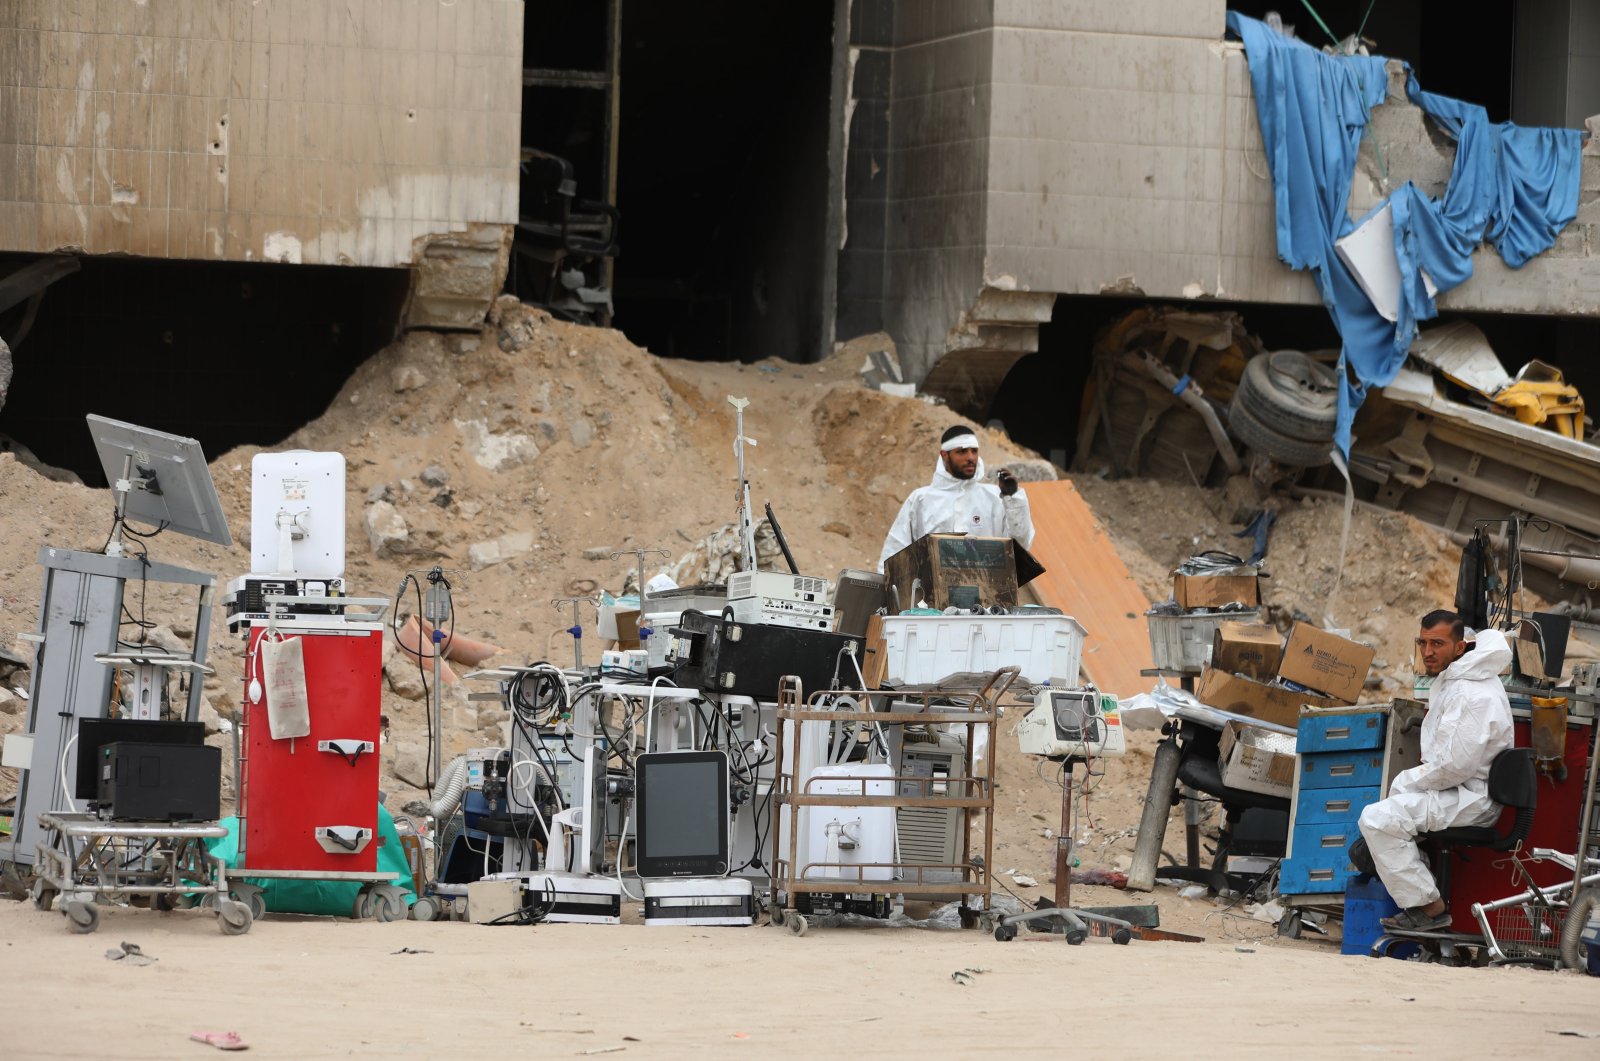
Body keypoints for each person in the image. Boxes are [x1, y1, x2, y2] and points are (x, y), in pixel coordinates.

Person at [1356, 609, 1513, 932]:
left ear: (1460, 647)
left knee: (1378, 818)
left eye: (1437, 644)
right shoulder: (1462, 678)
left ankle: (1430, 908)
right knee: (1384, 815)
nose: (1428, 652)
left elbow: (1454, 767)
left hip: (1469, 798)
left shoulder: (1473, 693)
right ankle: (1421, 882)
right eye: (1423, 643)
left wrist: (1405, 782)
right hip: (1456, 791)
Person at [877, 424, 1035, 571]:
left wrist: (1013, 498)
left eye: (974, 451)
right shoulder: (921, 499)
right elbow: (895, 551)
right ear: (944, 455)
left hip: (986, 596)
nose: (970, 457)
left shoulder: (995, 497)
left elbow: (1020, 545)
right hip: (930, 597)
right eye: (962, 451)